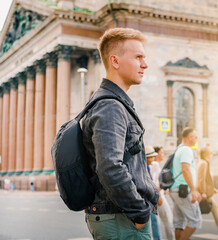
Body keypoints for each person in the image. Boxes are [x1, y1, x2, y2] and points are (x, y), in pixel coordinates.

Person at [81, 28, 159, 240]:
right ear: (115, 61)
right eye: (138, 57)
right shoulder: (110, 107)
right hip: (122, 219)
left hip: (120, 216)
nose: (145, 64)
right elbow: (110, 167)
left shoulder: (113, 103)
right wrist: (140, 212)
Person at [170, 127, 202, 240]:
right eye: (196, 137)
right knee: (195, 220)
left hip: (175, 189)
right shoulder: (187, 150)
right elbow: (185, 169)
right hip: (183, 190)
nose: (197, 139)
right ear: (190, 137)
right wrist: (193, 189)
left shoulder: (179, 149)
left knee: (179, 222)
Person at [153, 146, 175, 240]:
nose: (163, 155)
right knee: (168, 220)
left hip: (158, 195)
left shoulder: (156, 164)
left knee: (157, 222)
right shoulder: (155, 165)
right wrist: (159, 195)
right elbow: (154, 182)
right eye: (162, 152)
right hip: (158, 196)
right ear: (156, 154)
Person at [145, 146, 162, 240]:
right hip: (148, 200)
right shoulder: (144, 167)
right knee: (154, 222)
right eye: (151, 157)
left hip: (150, 198)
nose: (153, 158)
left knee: (154, 222)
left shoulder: (148, 166)